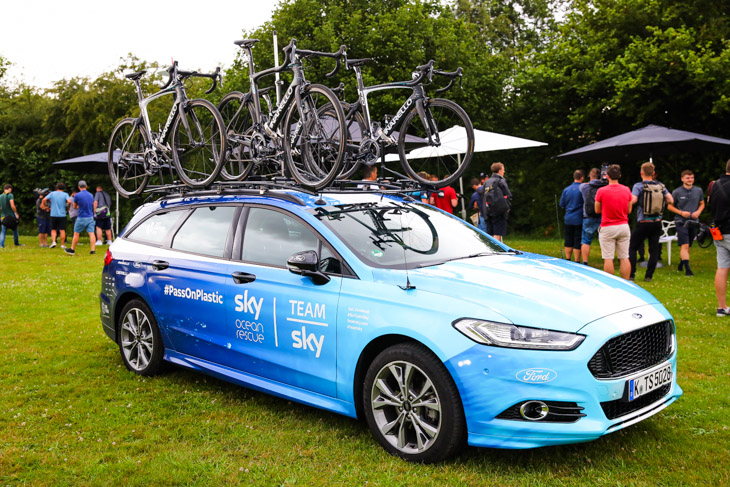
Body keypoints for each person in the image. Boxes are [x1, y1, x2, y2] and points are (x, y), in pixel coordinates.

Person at [628, 162, 673, 282]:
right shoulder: (661, 186)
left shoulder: (638, 186)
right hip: (657, 222)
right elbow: (671, 200)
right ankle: (649, 276)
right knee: (653, 250)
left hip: (643, 221)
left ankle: (631, 274)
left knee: (632, 248)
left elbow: (633, 200)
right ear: (653, 173)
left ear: (641, 173)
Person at [595, 164, 633, 279]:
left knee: (608, 257)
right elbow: (629, 210)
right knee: (624, 257)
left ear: (607, 176)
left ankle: (611, 283)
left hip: (607, 226)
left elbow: (597, 210)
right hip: (623, 226)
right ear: (620, 175)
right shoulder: (626, 189)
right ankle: (627, 283)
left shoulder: (601, 191)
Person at [667, 170, 704, 276]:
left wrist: (698, 212)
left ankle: (681, 263)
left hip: (694, 221)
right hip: (681, 221)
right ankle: (688, 270)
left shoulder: (698, 190)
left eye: (692, 178)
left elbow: (702, 203)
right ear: (682, 179)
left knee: (688, 245)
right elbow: (669, 206)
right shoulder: (677, 192)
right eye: (688, 178)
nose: (690, 180)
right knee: (685, 244)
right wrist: (681, 213)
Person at [708, 160, 730, 316]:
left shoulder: (714, 185)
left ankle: (722, 308)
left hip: (718, 232)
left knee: (722, 268)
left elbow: (711, 207)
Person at [579, 168, 606, 265]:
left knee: (586, 240)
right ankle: (607, 259)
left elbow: (582, 186)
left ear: (589, 176)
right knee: (605, 239)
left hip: (588, 216)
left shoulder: (584, 187)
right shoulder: (604, 187)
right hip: (602, 215)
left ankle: (585, 261)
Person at [64, 181, 96, 256]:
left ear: (79, 187)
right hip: (90, 216)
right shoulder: (91, 195)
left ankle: (72, 249)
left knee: (76, 233)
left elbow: (74, 206)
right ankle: (92, 250)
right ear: (86, 186)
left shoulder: (77, 195)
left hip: (81, 217)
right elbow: (92, 204)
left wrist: (79, 206)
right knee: (91, 233)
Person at [481, 162, 512, 242]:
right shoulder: (500, 181)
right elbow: (508, 195)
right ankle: (497, 250)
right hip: (499, 211)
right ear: (500, 170)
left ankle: (491, 249)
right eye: (503, 170)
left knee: (490, 233)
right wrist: (506, 208)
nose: (504, 172)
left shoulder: (487, 182)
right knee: (497, 233)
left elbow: (483, 196)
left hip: (488, 211)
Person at [559, 169, 585, 261]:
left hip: (568, 218)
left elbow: (561, 204)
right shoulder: (583, 189)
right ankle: (577, 260)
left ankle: (568, 259)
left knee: (568, 239)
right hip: (579, 219)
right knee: (578, 240)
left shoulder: (566, 189)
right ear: (582, 178)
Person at [42, 182, 71, 249]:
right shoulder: (65, 194)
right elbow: (69, 201)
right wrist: (68, 207)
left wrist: (45, 206)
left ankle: (54, 241)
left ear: (56, 187)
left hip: (53, 214)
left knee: (53, 229)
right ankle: (63, 244)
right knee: (62, 230)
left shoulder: (52, 193)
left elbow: (44, 199)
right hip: (62, 215)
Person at [0, 183, 22, 248]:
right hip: (10, 216)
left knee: (3, 231)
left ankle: (1, 245)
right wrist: (16, 213)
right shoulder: (10, 195)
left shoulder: (0, 196)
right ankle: (16, 243)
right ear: (9, 189)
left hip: (3, 216)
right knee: (14, 229)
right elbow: (12, 205)